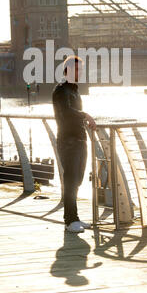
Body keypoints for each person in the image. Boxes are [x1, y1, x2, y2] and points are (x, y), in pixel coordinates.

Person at [52, 55, 96, 233]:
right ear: (67, 70)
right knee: (71, 180)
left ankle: (75, 218)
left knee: (78, 179)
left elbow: (73, 111)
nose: (80, 72)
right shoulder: (61, 91)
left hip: (80, 138)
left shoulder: (75, 90)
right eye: (77, 69)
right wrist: (85, 115)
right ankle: (70, 221)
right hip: (68, 140)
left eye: (81, 69)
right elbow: (67, 111)